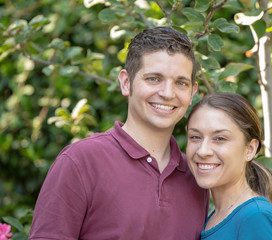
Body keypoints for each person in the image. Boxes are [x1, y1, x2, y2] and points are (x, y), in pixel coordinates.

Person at [29, 26, 209, 240]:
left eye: (181, 83)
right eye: (154, 79)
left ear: (192, 92)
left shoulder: (197, 176)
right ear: (126, 82)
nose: (168, 93)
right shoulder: (80, 161)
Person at [186, 92, 272, 240]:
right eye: (195, 137)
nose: (203, 151)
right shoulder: (215, 216)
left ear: (250, 149)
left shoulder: (256, 217)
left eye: (220, 138)